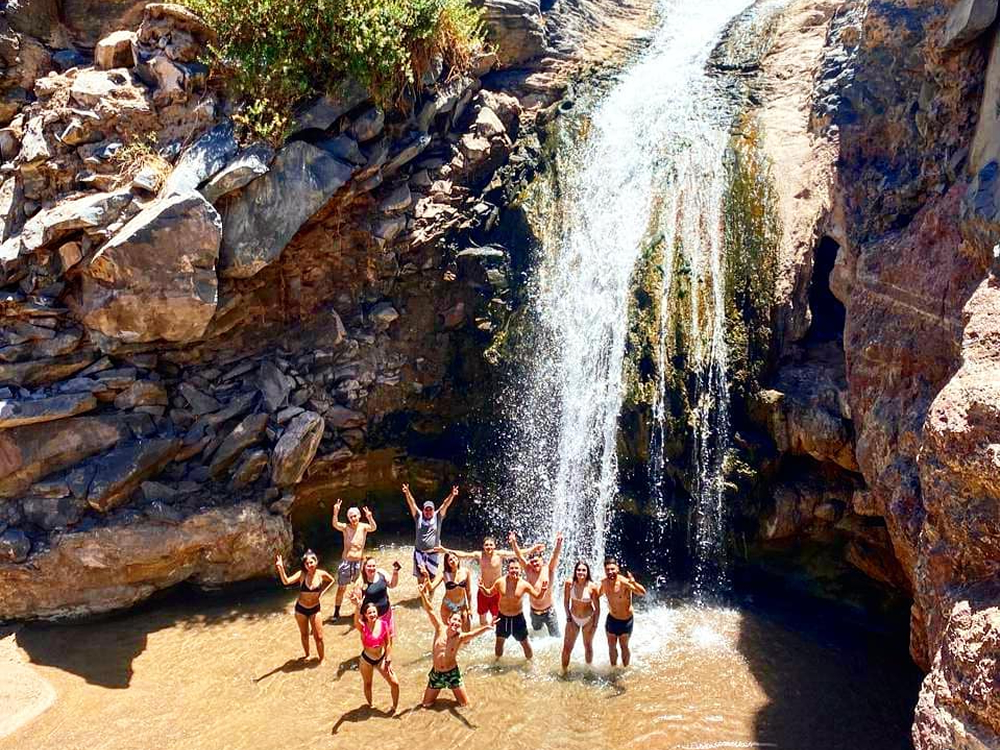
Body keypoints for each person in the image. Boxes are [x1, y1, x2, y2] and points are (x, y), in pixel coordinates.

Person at [434, 534, 541, 626]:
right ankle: (484, 631)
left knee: (497, 617)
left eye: (491, 544)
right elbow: (463, 554)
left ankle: (496, 634)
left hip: (496, 592)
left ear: (494, 546)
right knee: (482, 620)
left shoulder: (500, 555)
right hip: (483, 591)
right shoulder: (479, 555)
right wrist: (445, 550)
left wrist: (532, 550)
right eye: (486, 545)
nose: (488, 547)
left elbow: (517, 553)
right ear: (483, 546)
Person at [416, 579, 493, 708]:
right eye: (455, 620)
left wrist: (487, 627)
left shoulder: (460, 637)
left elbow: (474, 634)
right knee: (426, 705)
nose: (457, 622)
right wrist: (423, 594)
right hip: (437, 673)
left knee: (465, 705)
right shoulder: (440, 628)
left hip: (452, 673)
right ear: (449, 620)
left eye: (459, 621)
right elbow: (430, 610)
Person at [275, 550, 335, 661]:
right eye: (307, 564)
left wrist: (322, 592)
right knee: (304, 634)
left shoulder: (321, 574)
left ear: (316, 562)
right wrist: (281, 568)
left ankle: (322, 659)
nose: (309, 565)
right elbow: (286, 581)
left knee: (319, 637)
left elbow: (332, 580)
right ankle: (307, 655)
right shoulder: (302, 574)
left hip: (315, 609)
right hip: (301, 609)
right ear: (304, 565)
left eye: (311, 562)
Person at [482, 559, 547, 659]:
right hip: (502, 617)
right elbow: (489, 593)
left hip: (518, 618)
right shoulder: (500, 582)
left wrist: (542, 591)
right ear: (508, 569)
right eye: (512, 568)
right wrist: (482, 587)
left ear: (520, 570)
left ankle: (530, 661)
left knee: (524, 642)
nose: (514, 570)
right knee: (499, 641)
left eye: (516, 568)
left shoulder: (524, 585)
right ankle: (497, 661)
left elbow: (537, 597)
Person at [348, 591, 400, 713]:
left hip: (381, 658)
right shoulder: (363, 627)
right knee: (368, 684)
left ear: (377, 613)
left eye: (374, 612)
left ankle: (394, 708)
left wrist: (388, 656)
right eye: (369, 612)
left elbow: (388, 643)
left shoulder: (384, 624)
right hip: (366, 659)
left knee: (395, 683)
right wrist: (357, 606)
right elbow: (356, 622)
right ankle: (370, 706)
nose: (372, 614)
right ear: (365, 615)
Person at [402, 483, 458, 582]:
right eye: (426, 510)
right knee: (421, 578)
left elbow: (445, 504)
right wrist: (407, 493)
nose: (428, 512)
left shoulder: (438, 516)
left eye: (430, 509)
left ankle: (430, 596)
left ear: (433, 509)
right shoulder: (418, 516)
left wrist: (452, 495)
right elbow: (412, 503)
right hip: (419, 553)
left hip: (433, 553)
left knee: (432, 579)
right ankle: (421, 597)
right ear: (423, 510)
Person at [331, 499, 377, 618]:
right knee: (341, 588)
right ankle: (336, 612)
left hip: (359, 562)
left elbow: (373, 528)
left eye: (355, 516)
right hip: (346, 561)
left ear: (359, 516)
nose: (353, 519)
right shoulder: (346, 527)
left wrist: (370, 517)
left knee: (359, 587)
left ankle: (360, 611)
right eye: (351, 517)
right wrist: (335, 512)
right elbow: (335, 524)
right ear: (348, 518)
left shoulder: (363, 527)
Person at [512, 532, 563, 637]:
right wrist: (513, 542)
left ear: (542, 560)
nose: (534, 564)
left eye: (536, 561)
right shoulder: (528, 570)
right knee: (537, 636)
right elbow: (519, 556)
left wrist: (558, 544)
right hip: (534, 612)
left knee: (556, 637)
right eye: (532, 562)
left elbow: (555, 556)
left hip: (549, 612)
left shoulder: (549, 569)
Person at [600, 557, 647, 667]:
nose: (610, 572)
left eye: (612, 569)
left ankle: (625, 669)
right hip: (611, 619)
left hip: (626, 621)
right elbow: (596, 594)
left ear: (617, 569)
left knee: (623, 646)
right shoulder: (604, 583)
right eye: (607, 570)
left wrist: (634, 583)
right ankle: (613, 669)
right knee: (611, 646)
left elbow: (642, 592)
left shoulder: (624, 582)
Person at [561, 560, 601, 671]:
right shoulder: (569, 583)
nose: (581, 572)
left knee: (588, 646)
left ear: (587, 572)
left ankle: (588, 671)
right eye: (579, 570)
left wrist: (595, 625)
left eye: (584, 570)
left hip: (588, 620)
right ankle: (564, 671)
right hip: (573, 619)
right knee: (567, 648)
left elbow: (597, 609)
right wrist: (568, 617)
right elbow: (565, 601)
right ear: (575, 571)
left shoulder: (592, 587)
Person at [422, 551, 473, 631]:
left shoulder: (465, 572)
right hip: (448, 605)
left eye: (454, 558)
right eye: (450, 560)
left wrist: (470, 608)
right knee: (448, 632)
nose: (453, 561)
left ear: (458, 559)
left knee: (467, 632)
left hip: (462, 605)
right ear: (447, 563)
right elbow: (431, 587)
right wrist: (427, 576)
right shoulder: (444, 574)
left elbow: (469, 591)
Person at [358, 556, 400, 637]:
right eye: (369, 566)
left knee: (388, 639)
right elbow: (358, 604)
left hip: (386, 613)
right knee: (375, 641)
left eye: (373, 566)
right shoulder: (361, 582)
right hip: (372, 618)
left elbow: (392, 585)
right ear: (364, 567)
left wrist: (395, 573)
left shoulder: (381, 573)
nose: (372, 568)